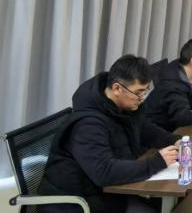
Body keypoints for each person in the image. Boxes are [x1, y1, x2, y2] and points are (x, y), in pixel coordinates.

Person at [38, 55, 183, 213]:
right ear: (117, 89)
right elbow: (103, 172)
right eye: (138, 93)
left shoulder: (122, 107)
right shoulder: (88, 125)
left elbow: (143, 128)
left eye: (145, 91)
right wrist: (156, 162)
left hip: (106, 193)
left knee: (171, 202)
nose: (142, 98)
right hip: (76, 203)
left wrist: (175, 140)